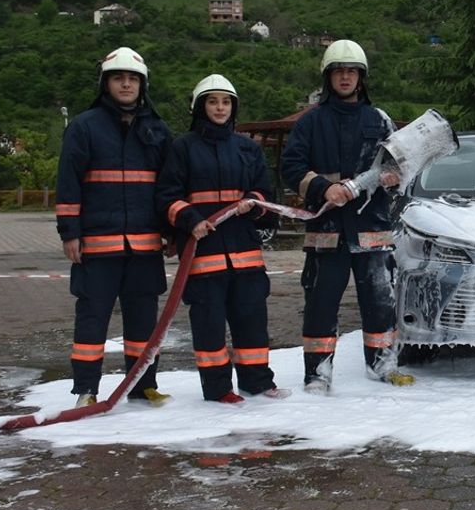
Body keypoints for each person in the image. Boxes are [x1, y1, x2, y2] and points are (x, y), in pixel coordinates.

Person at [281, 40, 410, 392]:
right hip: (327, 230)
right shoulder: (311, 122)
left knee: (380, 302)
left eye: (351, 71)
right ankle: (318, 375)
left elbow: (401, 164)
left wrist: (396, 178)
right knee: (321, 304)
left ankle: (383, 366)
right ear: (328, 77)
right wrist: (323, 188)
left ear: (361, 78)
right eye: (339, 71)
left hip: (372, 230)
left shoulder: (379, 120)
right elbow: (291, 167)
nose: (345, 77)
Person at [156, 74, 289, 404]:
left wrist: (254, 202)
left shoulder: (247, 148)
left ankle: (257, 382)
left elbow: (265, 193)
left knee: (252, 322)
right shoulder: (182, 148)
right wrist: (190, 220)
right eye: (213, 101)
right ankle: (218, 389)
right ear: (200, 107)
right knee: (209, 326)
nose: (220, 107)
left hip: (245, 254)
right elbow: (166, 196)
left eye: (226, 101)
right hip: (203, 254)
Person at [55, 47, 173, 407]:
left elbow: (168, 185)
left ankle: (142, 385)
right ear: (105, 83)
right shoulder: (84, 127)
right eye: (119, 78)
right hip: (96, 246)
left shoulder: (157, 129)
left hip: (144, 246)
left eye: (133, 78)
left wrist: (170, 231)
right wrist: (70, 232)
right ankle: (86, 391)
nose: (126, 84)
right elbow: (69, 182)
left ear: (142, 84)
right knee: (91, 322)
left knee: (143, 325)